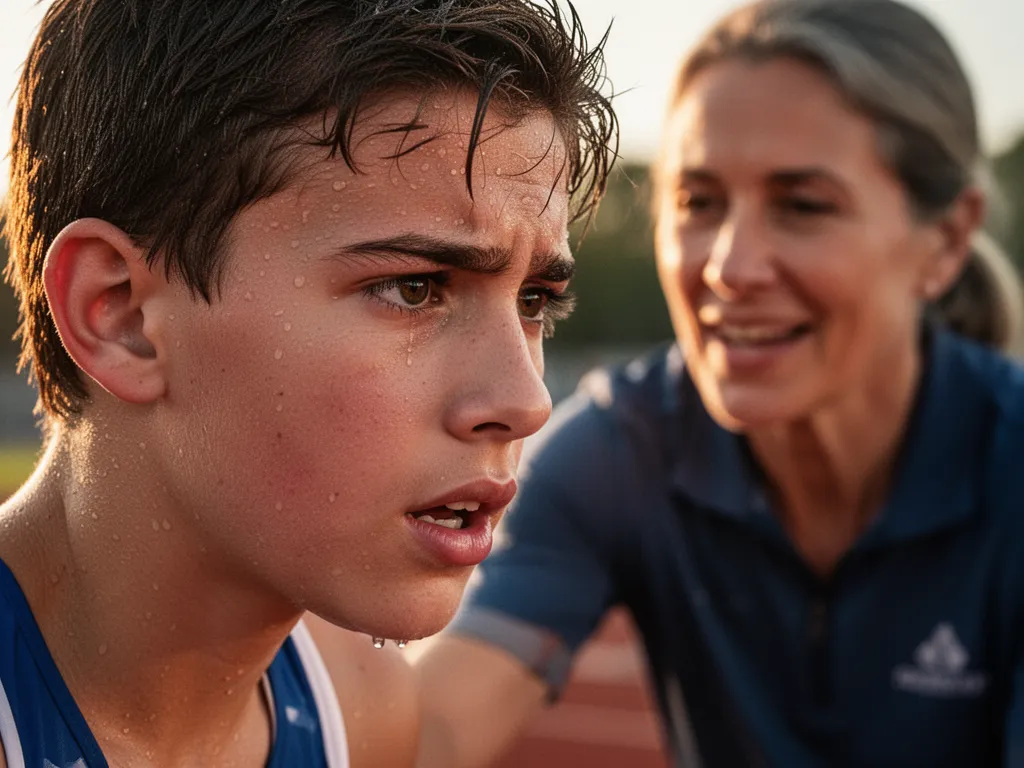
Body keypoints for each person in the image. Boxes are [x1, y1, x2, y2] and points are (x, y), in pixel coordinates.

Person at [0, 0, 614, 766]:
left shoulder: (363, 711)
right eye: (415, 289)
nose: (527, 403)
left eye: (534, 302)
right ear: (118, 315)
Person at [412, 1, 1024, 766]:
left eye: (803, 206)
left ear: (947, 240)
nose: (729, 269)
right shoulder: (621, 452)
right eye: (698, 202)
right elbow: (434, 733)